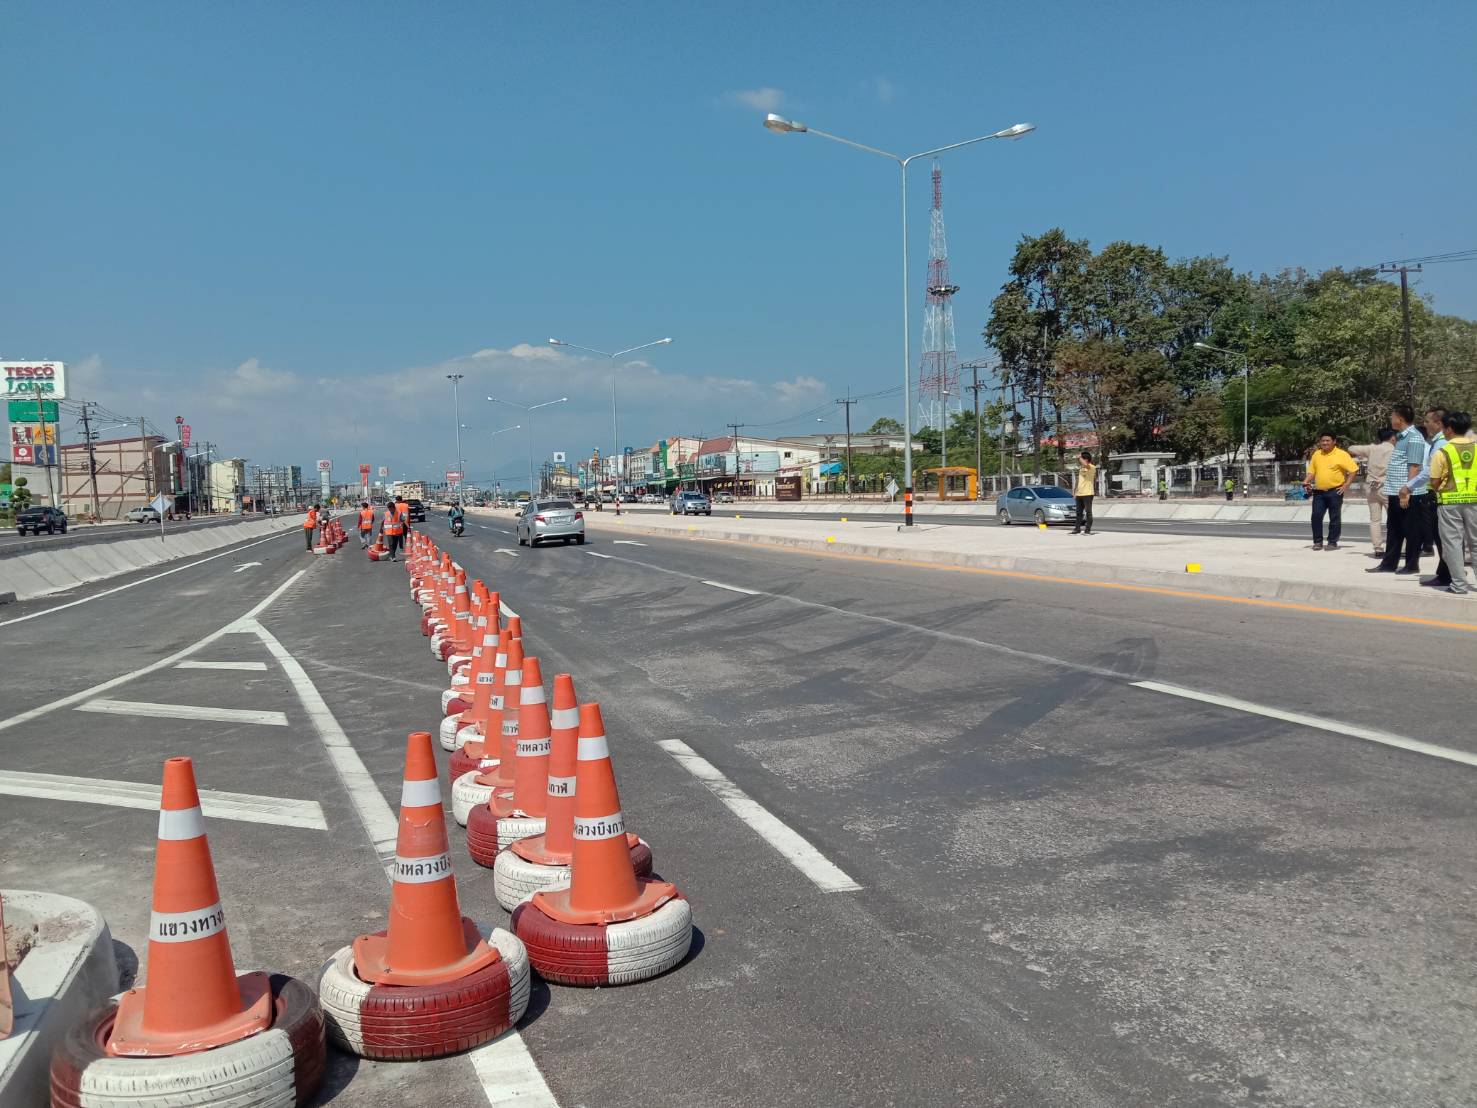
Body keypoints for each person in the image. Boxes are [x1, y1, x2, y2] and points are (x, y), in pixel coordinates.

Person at [1368, 405, 1427, 575]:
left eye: (1392, 416)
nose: (1391, 419)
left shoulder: (1414, 437)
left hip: (1406, 492)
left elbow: (1414, 466)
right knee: (1394, 529)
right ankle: (1388, 563)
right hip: (1394, 490)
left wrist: (1406, 491)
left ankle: (1412, 565)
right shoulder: (1400, 437)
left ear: (1400, 418)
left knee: (1410, 530)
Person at [1427, 410, 1476, 595]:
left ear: (1449, 429)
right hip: (1475, 502)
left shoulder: (1442, 452)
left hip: (1449, 503)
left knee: (1453, 545)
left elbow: (1434, 482)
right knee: (1476, 543)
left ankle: (1459, 585)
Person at [1302, 432, 1358, 550]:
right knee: (1316, 516)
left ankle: (1332, 542)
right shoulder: (1317, 454)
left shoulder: (1342, 454)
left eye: (1327, 440)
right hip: (1319, 492)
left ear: (1334, 441)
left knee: (1334, 517)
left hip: (1335, 491)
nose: (1325, 443)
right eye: (1323, 441)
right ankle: (1318, 542)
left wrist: (1346, 485)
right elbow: (1312, 472)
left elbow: (1353, 470)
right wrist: (1306, 481)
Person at [1349, 427, 1395, 557]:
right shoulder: (1394, 450)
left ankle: (1378, 548)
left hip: (1371, 487)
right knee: (1394, 519)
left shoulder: (1372, 449)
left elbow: (1351, 448)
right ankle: (1397, 547)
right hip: (1387, 486)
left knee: (1375, 520)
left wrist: (1367, 451)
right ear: (1393, 438)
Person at [1417, 407, 1449, 582]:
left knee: (1442, 537)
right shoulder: (1437, 442)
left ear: (1438, 423)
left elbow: (1430, 471)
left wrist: (1408, 486)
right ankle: (1447, 572)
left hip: (1438, 494)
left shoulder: (1441, 443)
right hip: (1437, 493)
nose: (1425, 424)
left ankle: (1446, 574)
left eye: (1427, 421)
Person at [1071, 450, 1097, 535]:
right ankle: (1077, 529)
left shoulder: (1092, 467)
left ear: (1086, 459)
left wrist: (1080, 457)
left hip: (1088, 493)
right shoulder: (1081, 469)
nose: (1080, 461)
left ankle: (1087, 530)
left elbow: (1086, 464)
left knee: (1088, 512)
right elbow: (1079, 481)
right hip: (1079, 493)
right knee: (1078, 513)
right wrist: (1075, 491)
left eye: (1082, 459)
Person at [378, 497, 406, 561]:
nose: (390, 510)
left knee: (395, 544)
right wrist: (381, 528)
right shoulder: (386, 513)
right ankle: (393, 557)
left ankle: (391, 555)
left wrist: (402, 522)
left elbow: (403, 520)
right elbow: (383, 521)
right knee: (391, 544)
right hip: (389, 532)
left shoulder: (399, 513)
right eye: (389, 509)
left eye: (391, 509)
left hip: (397, 532)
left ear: (394, 508)